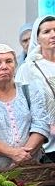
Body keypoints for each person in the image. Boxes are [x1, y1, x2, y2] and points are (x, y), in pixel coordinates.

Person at [16, 15, 55, 160]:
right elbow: (20, 106)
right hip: (46, 144)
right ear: (37, 38)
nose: (53, 35)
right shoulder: (29, 68)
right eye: (47, 32)